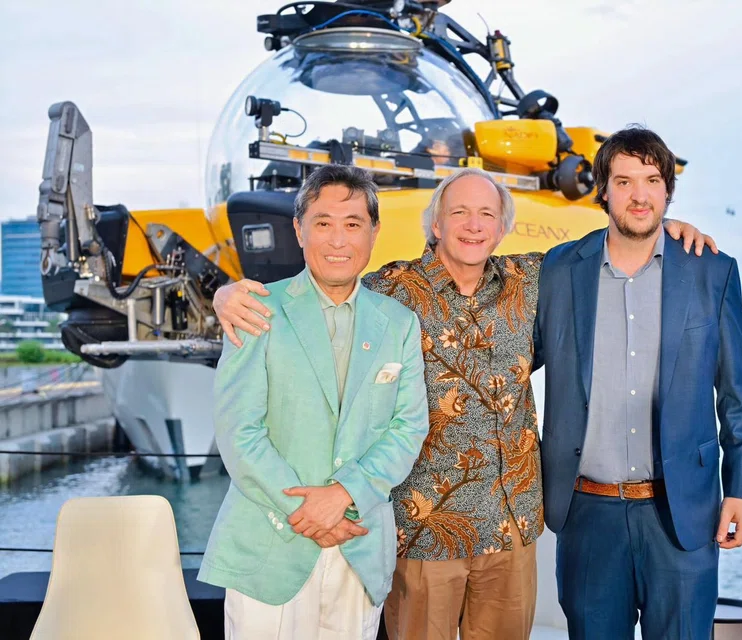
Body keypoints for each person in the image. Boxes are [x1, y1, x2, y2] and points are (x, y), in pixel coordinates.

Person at [213, 166, 715, 640]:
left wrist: (663, 224)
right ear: (434, 222)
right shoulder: (389, 292)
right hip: (424, 530)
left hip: (512, 526)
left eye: (487, 215)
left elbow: (612, 245)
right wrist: (226, 295)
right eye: (458, 213)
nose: (473, 226)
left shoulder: (536, 280)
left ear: (502, 229)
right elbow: (321, 289)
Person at [533, 125, 742, 639]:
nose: (639, 195)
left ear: (668, 191)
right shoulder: (557, 270)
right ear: (604, 191)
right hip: (588, 514)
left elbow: (737, 396)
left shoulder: (712, 271)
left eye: (652, 180)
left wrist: (741, 491)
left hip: (682, 513)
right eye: (624, 181)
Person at [198, 164, 430, 640]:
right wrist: (309, 513)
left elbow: (408, 428)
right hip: (271, 546)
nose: (338, 240)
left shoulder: (400, 323)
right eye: (323, 223)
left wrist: (343, 496)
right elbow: (239, 431)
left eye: (353, 225)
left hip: (358, 545)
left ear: (374, 232)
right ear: (299, 230)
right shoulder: (255, 308)